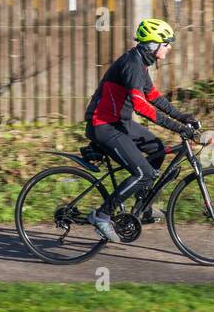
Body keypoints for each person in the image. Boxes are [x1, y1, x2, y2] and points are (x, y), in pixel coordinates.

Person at [83, 19, 201, 243]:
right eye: (166, 43)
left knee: (157, 149)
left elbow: (154, 97)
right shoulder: (132, 65)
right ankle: (101, 215)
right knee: (144, 173)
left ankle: (142, 205)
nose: (169, 48)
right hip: (104, 125)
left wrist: (183, 117)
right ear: (153, 44)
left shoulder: (141, 62)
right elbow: (141, 106)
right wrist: (177, 128)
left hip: (120, 122)